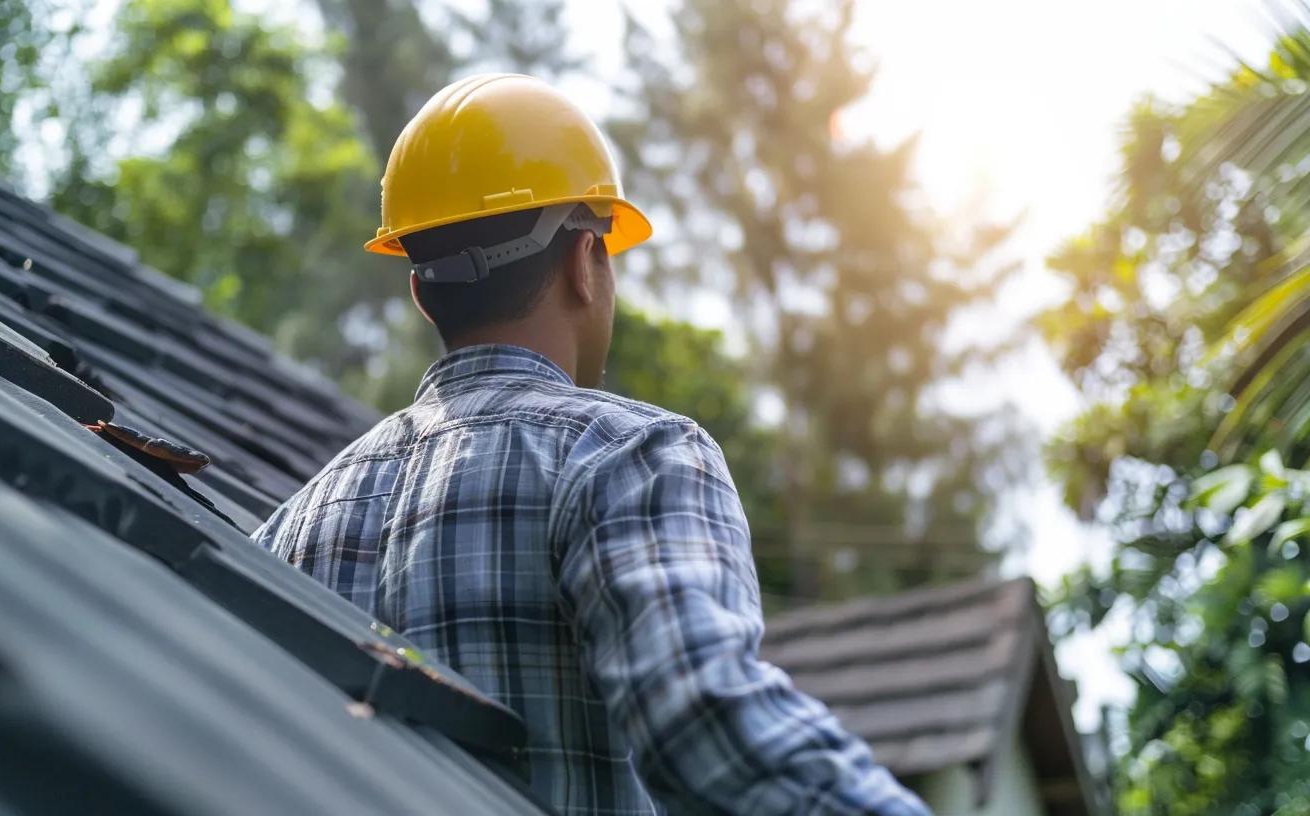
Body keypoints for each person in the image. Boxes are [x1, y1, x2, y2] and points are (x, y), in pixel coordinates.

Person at [253, 73, 930, 816]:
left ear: (421, 291)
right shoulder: (629, 456)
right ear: (584, 260)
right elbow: (705, 719)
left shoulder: (287, 531)